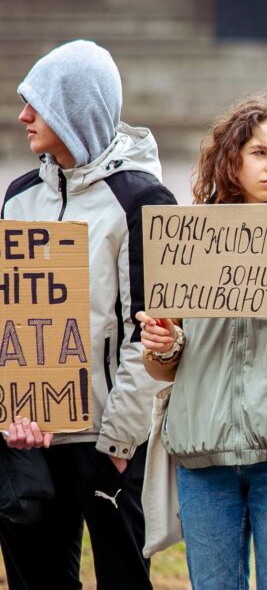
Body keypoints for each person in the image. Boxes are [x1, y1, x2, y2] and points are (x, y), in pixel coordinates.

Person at [136, 93, 267, 589]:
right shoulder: (188, 240)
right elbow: (166, 364)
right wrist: (161, 342)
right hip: (203, 458)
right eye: (259, 152)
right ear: (231, 160)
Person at [0, 39, 177, 590]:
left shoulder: (144, 200)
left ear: (75, 111)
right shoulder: (18, 196)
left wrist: (120, 446)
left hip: (111, 443)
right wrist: (16, 410)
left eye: (39, 103)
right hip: (36, 435)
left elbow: (147, 337)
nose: (24, 116)